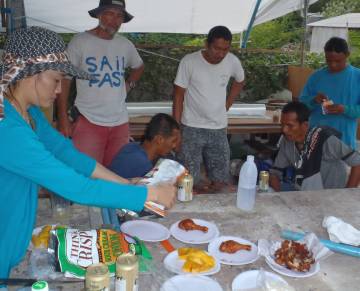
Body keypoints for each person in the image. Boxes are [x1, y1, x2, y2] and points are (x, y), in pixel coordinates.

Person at [0, 27, 175, 281]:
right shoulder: (7, 128)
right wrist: (145, 195)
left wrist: (124, 183)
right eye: (56, 79)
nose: (60, 90)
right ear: (31, 74)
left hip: (12, 236)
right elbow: (76, 187)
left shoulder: (25, 112)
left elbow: (67, 154)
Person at [56, 0, 144, 166]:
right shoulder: (80, 41)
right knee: (86, 173)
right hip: (88, 121)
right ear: (99, 14)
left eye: (119, 16)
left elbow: (139, 67)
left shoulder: (125, 44)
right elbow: (64, 80)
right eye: (110, 13)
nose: (115, 20)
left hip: (120, 123)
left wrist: (129, 85)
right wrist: (62, 118)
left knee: (116, 173)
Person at [173, 25, 244, 193]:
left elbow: (240, 80)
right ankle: (188, 215)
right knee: (189, 179)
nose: (220, 54)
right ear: (207, 44)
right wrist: (176, 129)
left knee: (221, 179)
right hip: (191, 127)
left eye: (225, 49)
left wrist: (227, 104)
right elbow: (178, 95)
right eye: (216, 48)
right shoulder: (189, 61)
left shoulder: (232, 61)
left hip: (218, 128)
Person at [269, 101, 360, 191]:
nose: (284, 130)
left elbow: (357, 162)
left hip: (331, 196)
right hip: (304, 192)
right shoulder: (287, 141)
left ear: (305, 125)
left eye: (290, 125)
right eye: (282, 124)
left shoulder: (324, 139)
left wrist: (347, 193)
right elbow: (275, 173)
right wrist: (278, 194)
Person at [300, 37, 360, 149]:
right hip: (316, 140)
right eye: (328, 60)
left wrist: (345, 109)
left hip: (343, 141)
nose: (333, 65)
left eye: (338, 61)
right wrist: (313, 100)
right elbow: (301, 106)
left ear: (347, 55)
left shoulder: (357, 77)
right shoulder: (316, 77)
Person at [110, 113, 181, 179]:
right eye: (173, 141)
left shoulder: (130, 147)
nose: (174, 146)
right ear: (159, 139)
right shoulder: (143, 165)